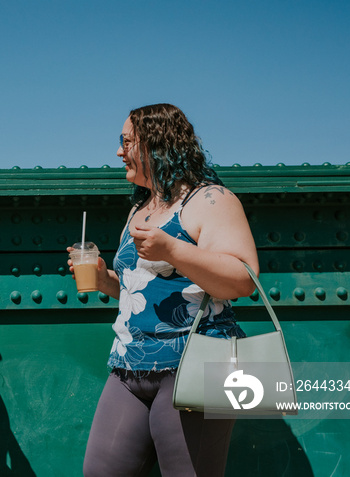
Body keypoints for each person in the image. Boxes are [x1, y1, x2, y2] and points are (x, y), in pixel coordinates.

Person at [74, 103, 259, 477]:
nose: (118, 151)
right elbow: (143, 290)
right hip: (128, 366)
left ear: (156, 144)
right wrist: (105, 278)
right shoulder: (140, 210)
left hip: (197, 361)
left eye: (126, 141)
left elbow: (243, 279)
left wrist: (173, 248)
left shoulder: (211, 200)